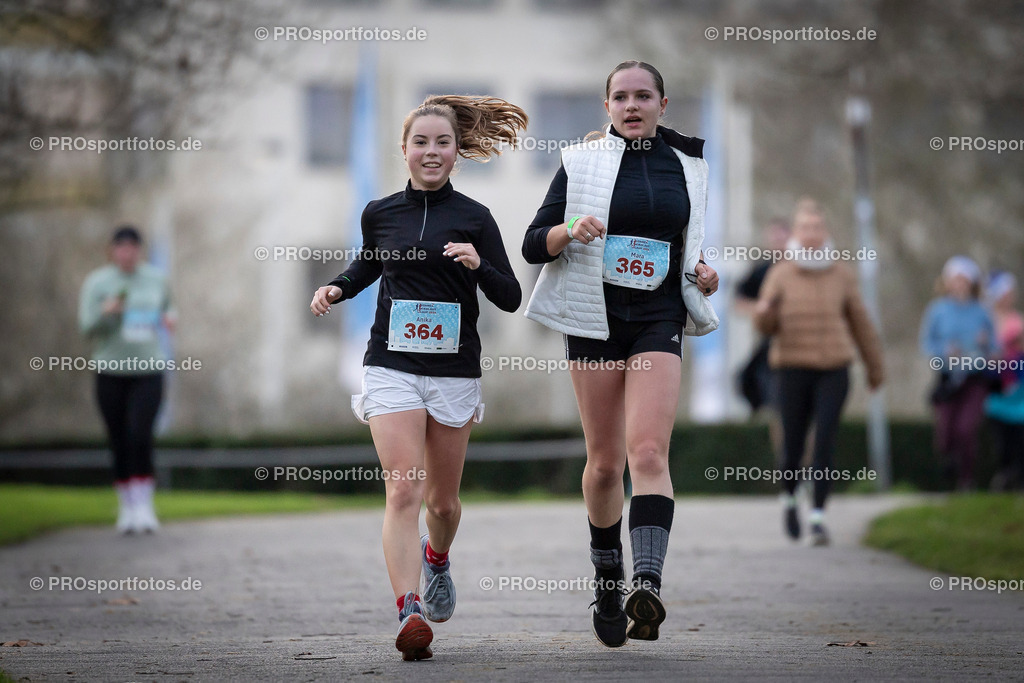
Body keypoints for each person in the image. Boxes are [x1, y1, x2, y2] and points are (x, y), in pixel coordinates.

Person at [309, 95, 525, 661]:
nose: (431, 152)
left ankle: (437, 559)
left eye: (442, 142)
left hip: (453, 370)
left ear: (457, 152)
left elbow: (510, 295)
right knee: (404, 488)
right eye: (420, 142)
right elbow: (367, 266)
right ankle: (408, 612)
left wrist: (480, 265)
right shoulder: (381, 212)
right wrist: (335, 287)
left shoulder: (476, 217)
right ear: (404, 149)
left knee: (444, 505)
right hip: (391, 365)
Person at [522, 60, 720, 648]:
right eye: (620, 97)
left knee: (650, 451)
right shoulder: (580, 164)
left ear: (662, 103)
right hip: (594, 319)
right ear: (606, 107)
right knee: (606, 463)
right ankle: (608, 580)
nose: (632, 106)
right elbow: (535, 244)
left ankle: (647, 584)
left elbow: (692, 251)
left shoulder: (690, 167)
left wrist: (704, 276)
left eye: (643, 96)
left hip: (658, 318)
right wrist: (570, 230)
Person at [754, 200, 884, 546]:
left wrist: (875, 368)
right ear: (796, 233)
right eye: (805, 227)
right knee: (793, 444)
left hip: (833, 369)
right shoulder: (780, 273)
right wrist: (765, 312)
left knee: (824, 441)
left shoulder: (841, 273)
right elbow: (764, 327)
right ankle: (790, 499)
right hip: (791, 369)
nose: (811, 234)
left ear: (825, 232)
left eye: (817, 227)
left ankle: (818, 518)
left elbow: (861, 324)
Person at [78, 225, 175, 534]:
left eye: (133, 247)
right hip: (110, 371)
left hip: (148, 370)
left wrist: (170, 318)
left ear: (139, 250)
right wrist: (107, 313)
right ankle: (126, 507)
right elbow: (86, 326)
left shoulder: (156, 279)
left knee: (140, 434)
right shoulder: (98, 282)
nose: (127, 253)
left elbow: (169, 307)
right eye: (121, 247)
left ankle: (144, 505)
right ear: (112, 250)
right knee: (119, 439)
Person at [919, 256, 995, 491]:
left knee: (966, 428)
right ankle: (950, 462)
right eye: (955, 279)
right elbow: (927, 343)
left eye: (964, 279)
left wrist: (985, 344)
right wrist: (944, 351)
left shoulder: (982, 311)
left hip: (974, 378)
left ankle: (966, 480)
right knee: (945, 431)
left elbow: (995, 346)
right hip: (948, 378)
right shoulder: (937, 311)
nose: (960, 283)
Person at [735, 218, 791, 458]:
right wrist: (762, 310)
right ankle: (788, 470)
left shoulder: (805, 269)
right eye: (773, 238)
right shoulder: (762, 271)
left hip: (803, 348)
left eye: (782, 237)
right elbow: (738, 302)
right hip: (772, 348)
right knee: (777, 409)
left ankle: (808, 469)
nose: (777, 243)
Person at [983, 272, 1024, 491]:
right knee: (1002, 441)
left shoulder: (1018, 319)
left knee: (1019, 438)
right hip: (998, 390)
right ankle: (1005, 476)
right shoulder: (988, 320)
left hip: (1019, 387)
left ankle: (1017, 478)